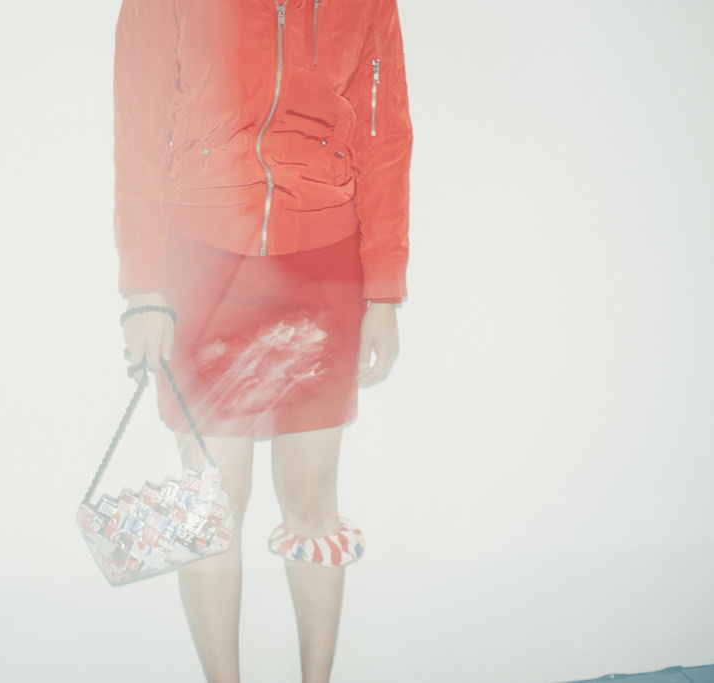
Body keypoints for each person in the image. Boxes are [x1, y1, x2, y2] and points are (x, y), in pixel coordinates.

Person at [113, 0, 412, 680]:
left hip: (323, 262)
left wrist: (384, 289)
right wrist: (144, 289)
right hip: (203, 263)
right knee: (213, 504)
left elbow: (385, 134)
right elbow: (138, 129)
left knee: (311, 497)